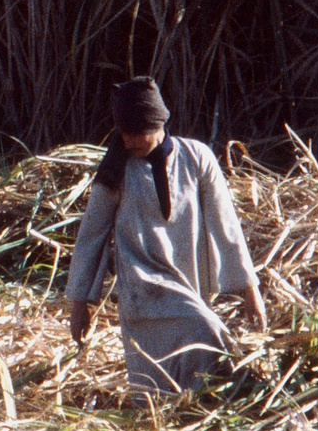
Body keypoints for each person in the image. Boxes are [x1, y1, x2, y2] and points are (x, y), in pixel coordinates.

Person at [65, 78, 268, 395]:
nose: (130, 140)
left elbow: (225, 222)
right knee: (206, 334)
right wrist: (81, 302)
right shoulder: (115, 170)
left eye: (138, 132)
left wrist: (249, 289)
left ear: (158, 124)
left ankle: (202, 412)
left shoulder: (197, 158)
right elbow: (92, 236)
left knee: (190, 381)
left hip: (189, 282)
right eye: (124, 132)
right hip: (141, 290)